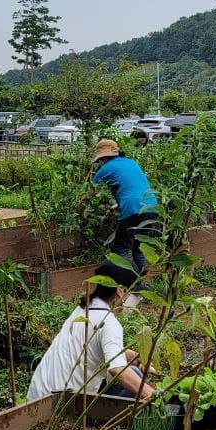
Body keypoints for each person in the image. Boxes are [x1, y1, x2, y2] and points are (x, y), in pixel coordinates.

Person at [27, 263, 155, 402]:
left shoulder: (83, 310)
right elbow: (117, 370)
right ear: (120, 291)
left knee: (134, 372)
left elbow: (97, 345)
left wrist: (134, 357)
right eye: (132, 294)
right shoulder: (110, 324)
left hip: (37, 395)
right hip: (63, 403)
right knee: (135, 384)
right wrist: (156, 395)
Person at [91, 139, 159, 309]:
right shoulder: (131, 162)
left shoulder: (104, 170)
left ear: (102, 158)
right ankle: (141, 288)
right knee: (138, 247)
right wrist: (117, 204)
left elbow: (91, 191)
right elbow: (132, 187)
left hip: (132, 209)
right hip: (151, 206)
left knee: (120, 250)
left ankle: (137, 287)